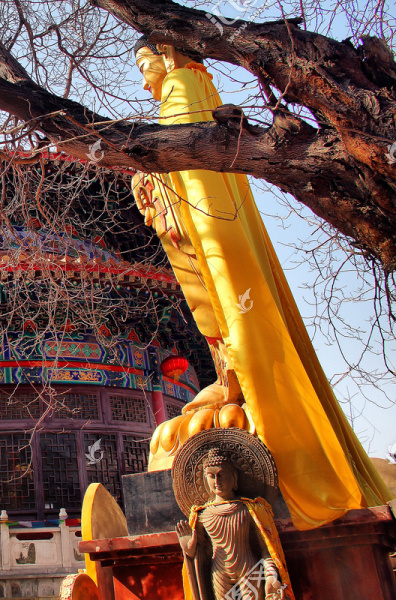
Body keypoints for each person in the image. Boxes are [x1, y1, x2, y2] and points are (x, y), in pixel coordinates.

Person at [131, 36, 391, 529]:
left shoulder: (185, 87)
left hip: (212, 226)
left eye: (146, 62)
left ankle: (246, 387)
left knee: (231, 299)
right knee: (212, 309)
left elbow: (194, 172)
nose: (144, 76)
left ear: (166, 56)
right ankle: (230, 378)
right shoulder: (177, 98)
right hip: (195, 226)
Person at [176, 449, 292, 600]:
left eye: (221, 474)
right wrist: (189, 549)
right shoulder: (201, 515)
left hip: (249, 570)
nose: (217, 481)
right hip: (219, 573)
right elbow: (199, 556)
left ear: (234, 477)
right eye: (211, 476)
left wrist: (270, 575)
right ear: (205, 480)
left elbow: (267, 549)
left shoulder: (250, 509)